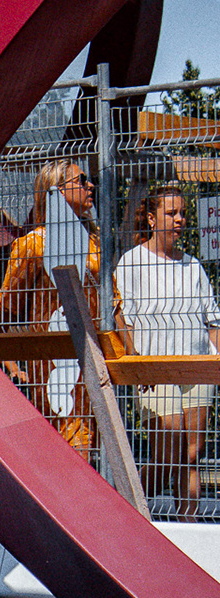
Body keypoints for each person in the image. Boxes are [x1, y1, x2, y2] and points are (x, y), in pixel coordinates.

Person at [114, 182, 220, 516]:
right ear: (151, 218)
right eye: (171, 213)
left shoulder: (194, 267)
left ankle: (188, 525)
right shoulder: (132, 262)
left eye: (182, 213)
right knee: (168, 456)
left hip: (197, 366)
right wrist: (136, 363)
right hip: (154, 370)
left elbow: (213, 321)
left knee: (192, 454)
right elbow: (122, 317)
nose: (179, 220)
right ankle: (126, 513)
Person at [0, 158, 114, 453]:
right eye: (81, 180)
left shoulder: (94, 244)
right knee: (69, 450)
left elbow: (113, 302)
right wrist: (15, 362)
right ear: (57, 191)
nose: (90, 186)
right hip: (54, 368)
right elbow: (7, 310)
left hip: (94, 361)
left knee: (90, 451)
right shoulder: (33, 244)